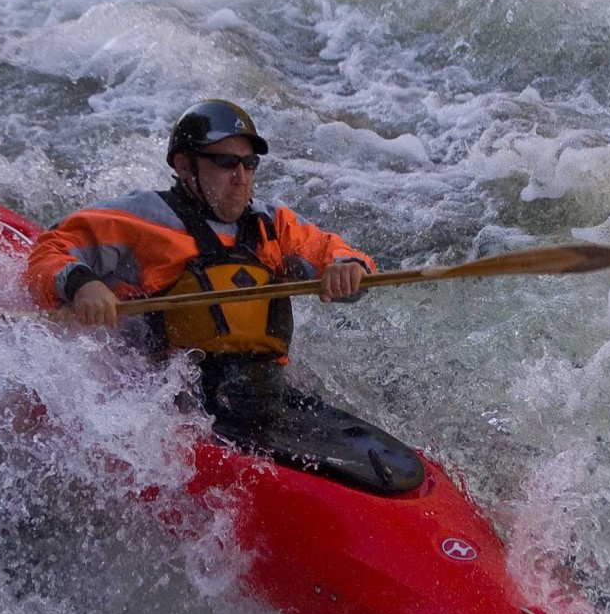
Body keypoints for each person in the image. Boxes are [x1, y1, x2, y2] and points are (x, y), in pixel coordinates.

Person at [25, 99, 424, 493]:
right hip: (174, 400)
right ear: (185, 167)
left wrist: (347, 268)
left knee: (389, 471)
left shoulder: (272, 225)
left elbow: (335, 252)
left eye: (249, 164)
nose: (241, 176)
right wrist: (83, 284)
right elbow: (52, 248)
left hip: (262, 396)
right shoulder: (141, 219)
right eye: (226, 163)